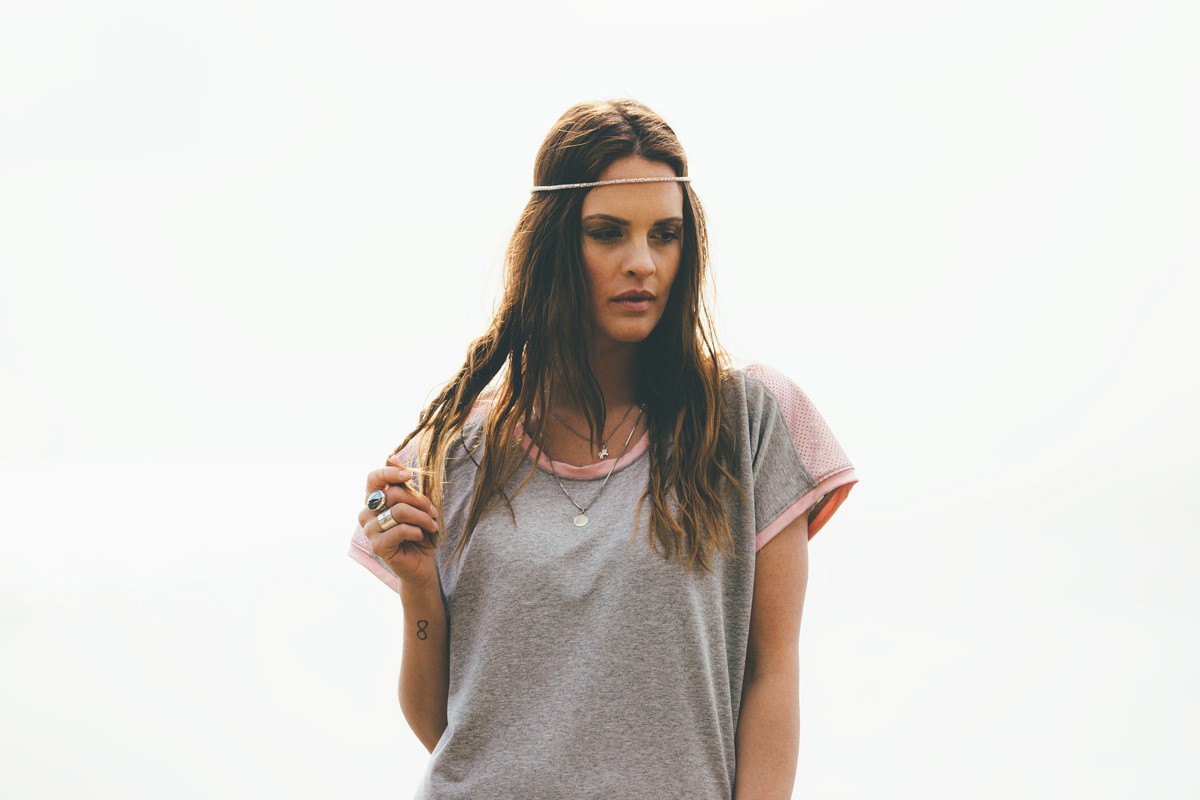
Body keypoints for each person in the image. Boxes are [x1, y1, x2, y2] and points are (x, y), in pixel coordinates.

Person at [347, 98, 859, 800]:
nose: (642, 263)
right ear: (555, 243)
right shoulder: (453, 454)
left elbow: (772, 675)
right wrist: (416, 585)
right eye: (608, 233)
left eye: (665, 234)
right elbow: (450, 726)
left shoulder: (747, 423)